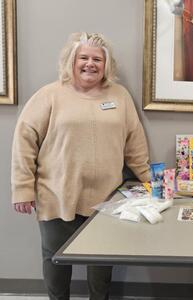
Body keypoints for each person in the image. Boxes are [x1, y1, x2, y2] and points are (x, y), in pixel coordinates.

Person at [11, 32, 151, 300]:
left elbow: (135, 144)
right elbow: (24, 141)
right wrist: (22, 189)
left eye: (97, 59)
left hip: (107, 199)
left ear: (106, 64)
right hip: (56, 194)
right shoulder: (49, 95)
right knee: (55, 260)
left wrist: (149, 180)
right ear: (71, 61)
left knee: (101, 262)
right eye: (83, 57)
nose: (90, 64)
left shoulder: (119, 96)